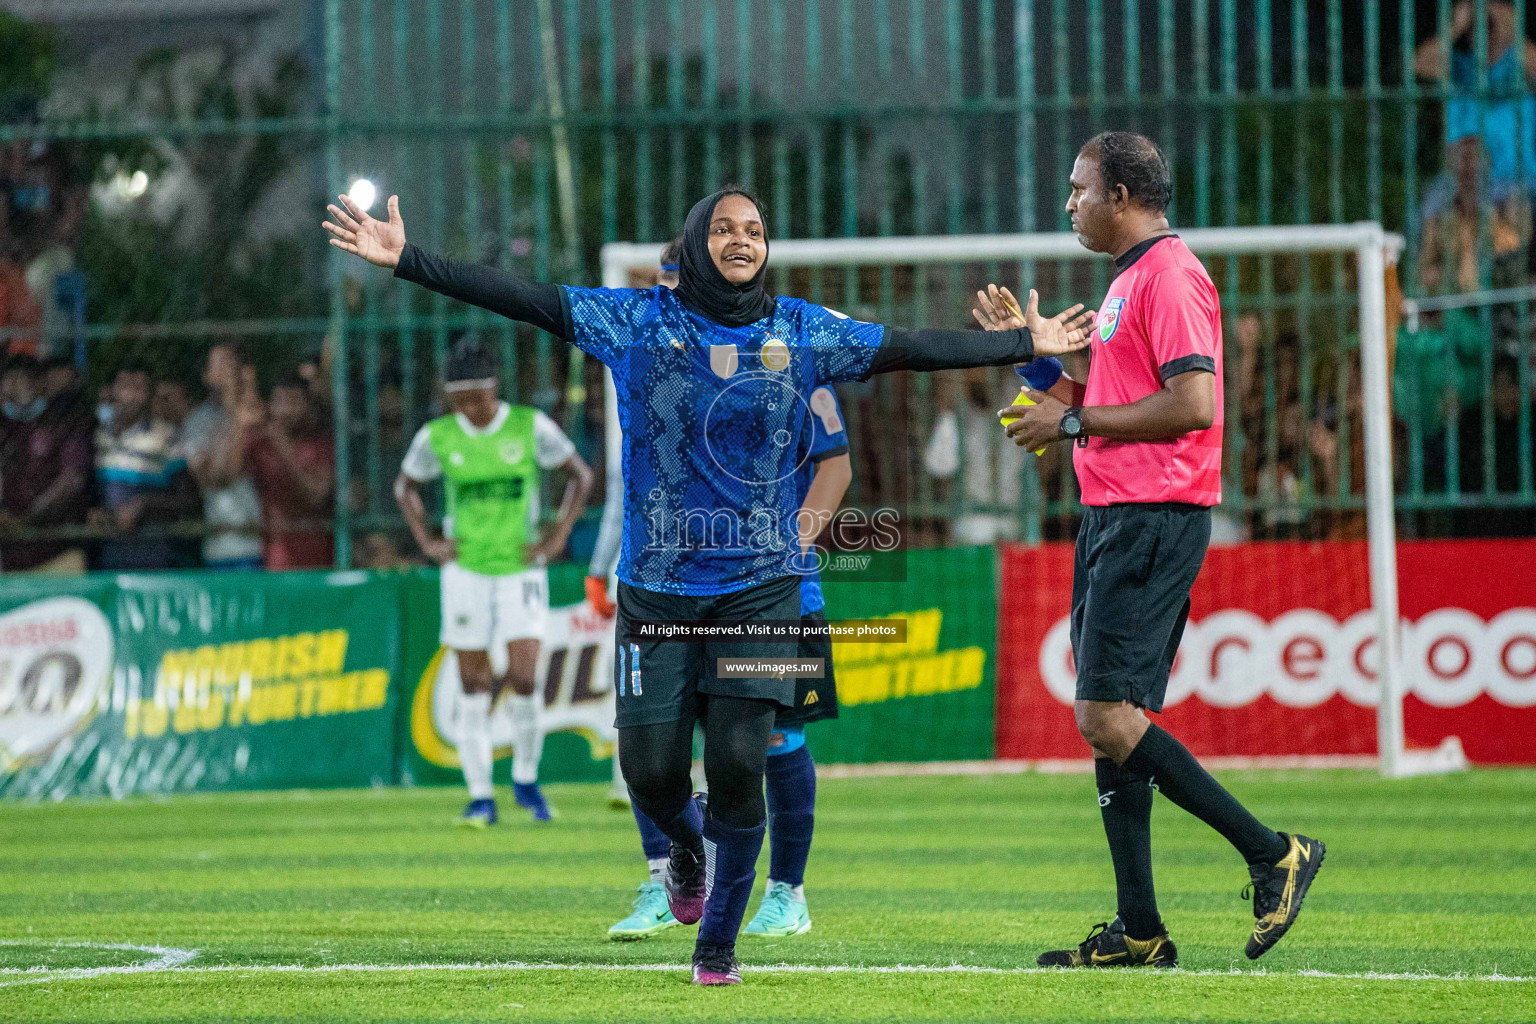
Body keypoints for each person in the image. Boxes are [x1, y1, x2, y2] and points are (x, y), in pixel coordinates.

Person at [324, 185, 1091, 985]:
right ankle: (685, 853)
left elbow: (909, 345)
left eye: (754, 228)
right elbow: (522, 298)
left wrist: (1016, 345)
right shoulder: (637, 322)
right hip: (655, 591)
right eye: (722, 228)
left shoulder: (801, 329)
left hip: (762, 588)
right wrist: (406, 259)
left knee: (739, 763)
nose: (740, 239)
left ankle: (718, 943)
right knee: (650, 773)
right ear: (694, 245)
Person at [979, 131, 1325, 969]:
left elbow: (1195, 403)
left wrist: (1069, 423)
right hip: (1115, 516)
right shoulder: (1129, 283)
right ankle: (1139, 930)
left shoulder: (1168, 276)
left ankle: (1273, 852)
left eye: (1079, 187)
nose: (1069, 203)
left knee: (1103, 714)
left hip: (1153, 514)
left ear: (1124, 194)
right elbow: (1095, 397)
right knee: (1110, 723)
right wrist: (1030, 360)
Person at [608, 380, 851, 942]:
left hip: (768, 599)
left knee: (771, 741)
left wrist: (789, 554)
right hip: (669, 592)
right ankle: (664, 878)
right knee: (657, 739)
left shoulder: (789, 359)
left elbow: (835, 467)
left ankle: (787, 892)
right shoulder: (657, 369)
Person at [395, 338, 593, 825]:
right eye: (461, 399)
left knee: (525, 678)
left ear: (493, 388)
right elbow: (406, 487)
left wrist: (554, 537)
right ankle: (481, 794)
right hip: (465, 571)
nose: (471, 408)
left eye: (478, 397)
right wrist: (428, 541)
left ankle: (525, 778)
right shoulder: (438, 436)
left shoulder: (528, 426)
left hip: (520, 568)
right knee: (474, 683)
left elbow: (580, 475)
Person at [221, 370, 336, 570]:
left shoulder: (322, 445)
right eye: (280, 401)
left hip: (319, 562)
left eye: (293, 401)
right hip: (274, 562)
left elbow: (316, 495)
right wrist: (239, 423)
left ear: (309, 406)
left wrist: (282, 443)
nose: (285, 409)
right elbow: (225, 477)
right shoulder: (262, 443)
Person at [91, 363, 200, 571]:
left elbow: (189, 499)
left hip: (153, 558)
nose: (130, 395)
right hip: (107, 558)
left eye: (139, 389)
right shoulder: (98, 437)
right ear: (113, 390)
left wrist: (144, 506)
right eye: (124, 386)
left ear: (149, 395)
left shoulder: (167, 437)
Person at [0, 355, 92, 572]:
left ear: (40, 385)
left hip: (55, 551)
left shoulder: (64, 424)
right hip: (8, 554)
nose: (11, 392)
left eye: (17, 382)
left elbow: (72, 481)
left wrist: (27, 518)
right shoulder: (6, 428)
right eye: (6, 384)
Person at [183, 342, 265, 570]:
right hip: (222, 547)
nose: (228, 372)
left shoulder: (261, 416)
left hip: (263, 544)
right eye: (220, 365)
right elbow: (216, 478)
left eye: (232, 364)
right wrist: (232, 410)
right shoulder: (197, 422)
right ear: (207, 376)